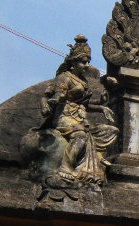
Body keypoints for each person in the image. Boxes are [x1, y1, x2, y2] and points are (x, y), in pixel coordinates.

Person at [41, 35, 117, 184]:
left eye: (88, 61)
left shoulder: (84, 81)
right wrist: (49, 103)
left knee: (111, 131)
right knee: (81, 135)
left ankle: (95, 166)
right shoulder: (64, 77)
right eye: (83, 62)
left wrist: (101, 107)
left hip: (80, 117)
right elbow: (48, 96)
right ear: (73, 62)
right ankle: (66, 167)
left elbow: (86, 104)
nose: (87, 65)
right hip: (64, 117)